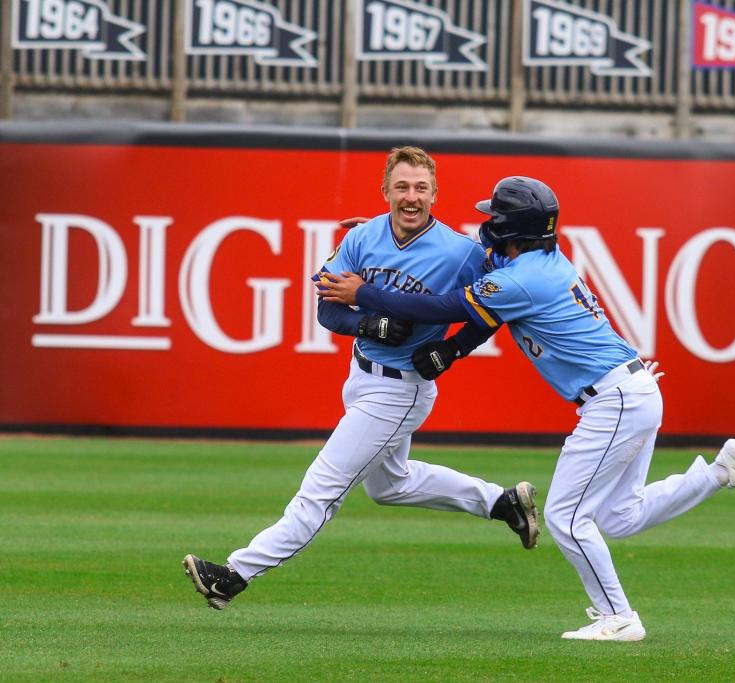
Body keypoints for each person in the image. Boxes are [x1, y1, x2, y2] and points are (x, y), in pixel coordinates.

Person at [318, 176, 735, 641]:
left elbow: (443, 308)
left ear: (507, 229)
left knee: (566, 517)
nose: (487, 224)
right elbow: (476, 287)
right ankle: (720, 473)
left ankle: (618, 618)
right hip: (631, 389)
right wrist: (387, 242)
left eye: (493, 218)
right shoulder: (538, 261)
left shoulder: (522, 278)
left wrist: (363, 292)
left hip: (614, 400)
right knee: (622, 516)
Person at [183, 148, 539, 610]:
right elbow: (327, 307)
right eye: (402, 187)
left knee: (320, 489)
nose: (411, 197)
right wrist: (366, 324)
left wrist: (453, 348)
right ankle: (503, 503)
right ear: (385, 192)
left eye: (421, 188)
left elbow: (498, 303)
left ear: (435, 194)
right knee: (390, 485)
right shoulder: (363, 237)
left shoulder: (461, 253)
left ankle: (232, 575)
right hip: (362, 374)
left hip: (401, 388)